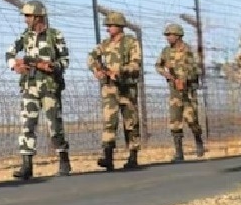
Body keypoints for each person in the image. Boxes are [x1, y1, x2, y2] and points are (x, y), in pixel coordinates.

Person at [6, 0, 71, 180]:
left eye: (28, 16)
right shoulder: (25, 36)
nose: (25, 20)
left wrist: (52, 66)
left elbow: (65, 60)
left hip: (49, 86)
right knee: (27, 124)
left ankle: (63, 157)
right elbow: (10, 51)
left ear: (38, 16)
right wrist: (14, 65)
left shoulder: (54, 35)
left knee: (54, 126)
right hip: (29, 85)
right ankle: (27, 165)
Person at [87, 11, 142, 170]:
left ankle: (133, 155)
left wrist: (121, 70)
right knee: (109, 120)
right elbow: (91, 57)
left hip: (127, 88)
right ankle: (108, 156)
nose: (108, 29)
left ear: (120, 26)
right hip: (109, 87)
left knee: (130, 122)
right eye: (107, 26)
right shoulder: (105, 44)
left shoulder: (131, 42)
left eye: (111, 26)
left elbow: (136, 63)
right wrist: (97, 69)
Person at [154, 22, 206, 161]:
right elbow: (158, 66)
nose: (168, 38)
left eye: (170, 35)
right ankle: (179, 152)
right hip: (175, 92)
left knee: (191, 119)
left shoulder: (188, 51)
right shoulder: (166, 51)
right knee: (175, 120)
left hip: (188, 92)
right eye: (167, 35)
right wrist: (167, 75)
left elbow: (197, 70)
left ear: (178, 35)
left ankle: (198, 140)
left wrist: (185, 79)